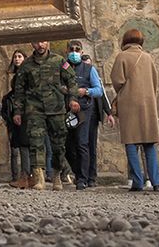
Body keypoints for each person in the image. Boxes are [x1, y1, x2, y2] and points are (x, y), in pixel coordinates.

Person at [11, 41, 76, 191]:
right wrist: (18, 112)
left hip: (56, 109)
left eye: (43, 42)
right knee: (36, 143)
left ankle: (56, 175)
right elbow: (19, 90)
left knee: (59, 145)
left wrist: (72, 99)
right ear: (32, 44)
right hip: (35, 110)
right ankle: (38, 177)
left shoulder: (59, 60)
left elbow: (71, 80)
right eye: (37, 42)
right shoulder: (26, 65)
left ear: (48, 42)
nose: (40, 45)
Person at [110, 29, 159, 192]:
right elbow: (155, 82)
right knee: (149, 145)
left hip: (129, 104)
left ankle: (137, 181)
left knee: (131, 144)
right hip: (147, 104)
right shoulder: (148, 58)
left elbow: (117, 81)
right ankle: (156, 182)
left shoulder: (122, 57)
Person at [64, 40, 102, 189]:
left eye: (77, 49)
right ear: (67, 51)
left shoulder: (89, 69)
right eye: (71, 49)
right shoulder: (63, 67)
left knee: (82, 143)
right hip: (66, 110)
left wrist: (86, 91)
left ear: (81, 51)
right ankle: (76, 171)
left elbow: (98, 90)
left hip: (84, 110)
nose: (74, 52)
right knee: (67, 146)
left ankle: (82, 178)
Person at [1, 50, 31, 188]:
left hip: (27, 112)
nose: (17, 59)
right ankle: (23, 175)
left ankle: (27, 175)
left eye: (20, 56)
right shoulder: (17, 76)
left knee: (25, 145)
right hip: (18, 112)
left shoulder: (27, 72)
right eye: (15, 57)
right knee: (19, 144)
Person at [82, 54, 113, 188]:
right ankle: (82, 174)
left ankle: (91, 177)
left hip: (94, 115)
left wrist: (109, 113)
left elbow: (103, 96)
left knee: (92, 146)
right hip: (82, 114)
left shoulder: (95, 79)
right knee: (81, 144)